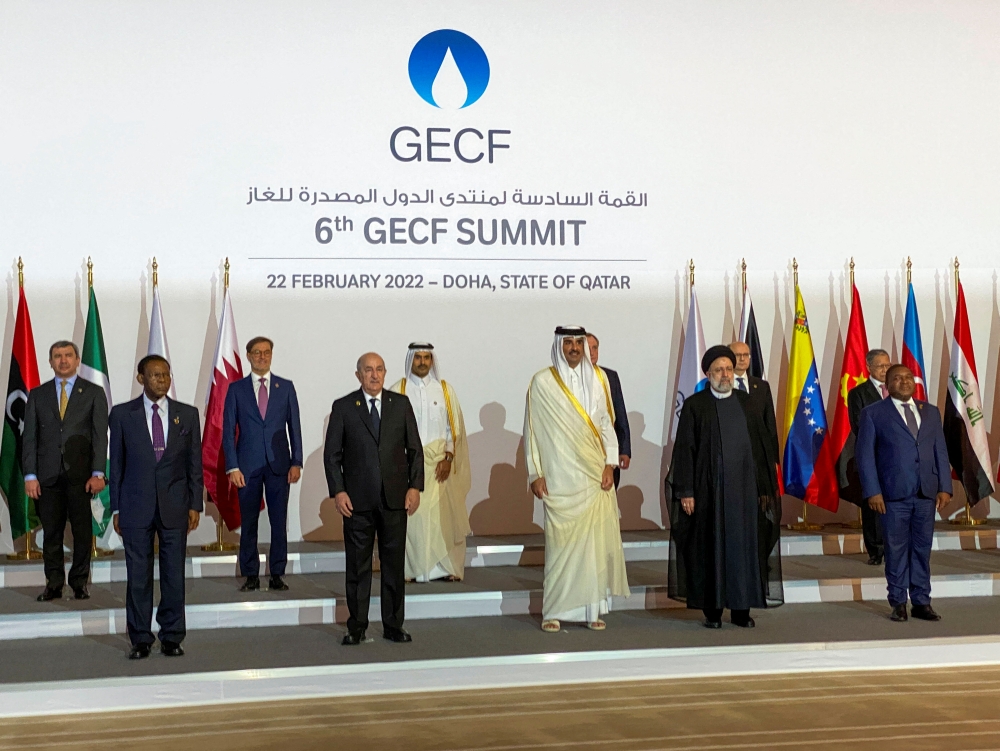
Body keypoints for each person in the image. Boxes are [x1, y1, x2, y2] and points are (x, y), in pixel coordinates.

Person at [667, 345, 783, 629]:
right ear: (708, 374)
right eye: (719, 370)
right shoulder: (696, 405)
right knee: (711, 550)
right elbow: (684, 451)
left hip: (745, 495)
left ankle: (742, 610)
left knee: (745, 551)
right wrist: (686, 491)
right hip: (710, 496)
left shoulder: (748, 403)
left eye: (729, 369)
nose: (725, 374)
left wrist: (765, 489)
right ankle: (713, 612)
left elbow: (762, 449)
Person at [523, 326, 629, 633]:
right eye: (567, 342)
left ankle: (591, 609)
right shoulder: (542, 382)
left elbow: (607, 425)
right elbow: (532, 430)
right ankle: (553, 611)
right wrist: (535, 472)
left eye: (577, 342)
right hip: (558, 476)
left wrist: (610, 464)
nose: (573, 347)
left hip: (593, 474)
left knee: (592, 545)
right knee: (560, 547)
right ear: (559, 345)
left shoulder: (599, 379)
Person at [325, 353, 423, 644]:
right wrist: (338, 491)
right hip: (356, 503)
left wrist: (415, 487)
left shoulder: (400, 404)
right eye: (368, 370)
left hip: (395, 500)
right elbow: (332, 456)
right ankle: (356, 627)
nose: (375, 375)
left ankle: (394, 625)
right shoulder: (343, 407)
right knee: (358, 567)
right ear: (358, 375)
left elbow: (414, 450)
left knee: (394, 566)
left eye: (379, 369)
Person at [109, 355, 203, 659]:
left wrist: (194, 503)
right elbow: (118, 466)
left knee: (174, 574)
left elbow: (194, 464)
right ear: (141, 379)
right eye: (155, 375)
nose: (162, 380)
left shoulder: (187, 415)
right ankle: (140, 637)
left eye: (166, 375)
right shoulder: (123, 415)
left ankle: (172, 635)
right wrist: (116, 508)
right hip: (135, 506)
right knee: (138, 574)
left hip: (175, 506)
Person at [856, 364, 951, 622]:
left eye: (909, 378)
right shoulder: (873, 413)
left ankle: (921, 602)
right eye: (897, 378)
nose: (905, 382)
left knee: (922, 549)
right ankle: (898, 601)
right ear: (887, 385)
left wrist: (945, 486)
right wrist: (873, 491)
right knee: (896, 550)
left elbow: (939, 451)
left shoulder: (930, 412)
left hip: (925, 494)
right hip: (891, 495)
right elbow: (865, 456)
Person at [22, 341, 108, 602]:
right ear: (50, 362)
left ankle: (80, 582)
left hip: (82, 476)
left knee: (82, 532)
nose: (63, 360)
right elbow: (30, 438)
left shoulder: (93, 392)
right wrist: (30, 475)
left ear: (77, 359)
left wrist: (98, 472)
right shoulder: (37, 394)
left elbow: (99, 435)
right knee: (51, 533)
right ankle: (54, 584)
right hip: (46, 477)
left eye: (68, 355)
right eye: (57, 356)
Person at [223, 336, 302, 592]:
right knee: (249, 522)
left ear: (271, 355)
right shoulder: (236, 389)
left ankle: (277, 573)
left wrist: (296, 461)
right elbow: (227, 431)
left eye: (266, 352)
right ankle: (250, 574)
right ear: (248, 356)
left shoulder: (286, 387)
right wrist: (232, 467)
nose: (262, 357)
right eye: (257, 352)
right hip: (247, 466)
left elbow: (295, 428)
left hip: (280, 465)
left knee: (279, 521)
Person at [388, 343, 471, 582]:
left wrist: (448, 457)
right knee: (413, 520)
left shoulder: (444, 390)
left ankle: (445, 569)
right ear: (410, 360)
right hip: (408, 467)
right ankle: (411, 570)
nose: (422, 362)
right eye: (418, 358)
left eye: (426, 357)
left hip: (438, 467)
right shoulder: (398, 389)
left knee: (442, 518)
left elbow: (452, 430)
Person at [844, 348, 890, 565]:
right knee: (872, 506)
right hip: (871, 455)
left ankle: (893, 547)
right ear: (869, 367)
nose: (885, 369)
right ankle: (875, 550)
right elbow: (858, 425)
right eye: (880, 366)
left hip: (896, 459)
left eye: (887, 365)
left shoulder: (896, 390)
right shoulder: (858, 393)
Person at [586, 332, 631, 489]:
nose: (591, 352)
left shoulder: (609, 376)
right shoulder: (569, 379)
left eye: (595, 348)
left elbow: (620, 414)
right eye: (587, 347)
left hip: (609, 449)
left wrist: (624, 449)